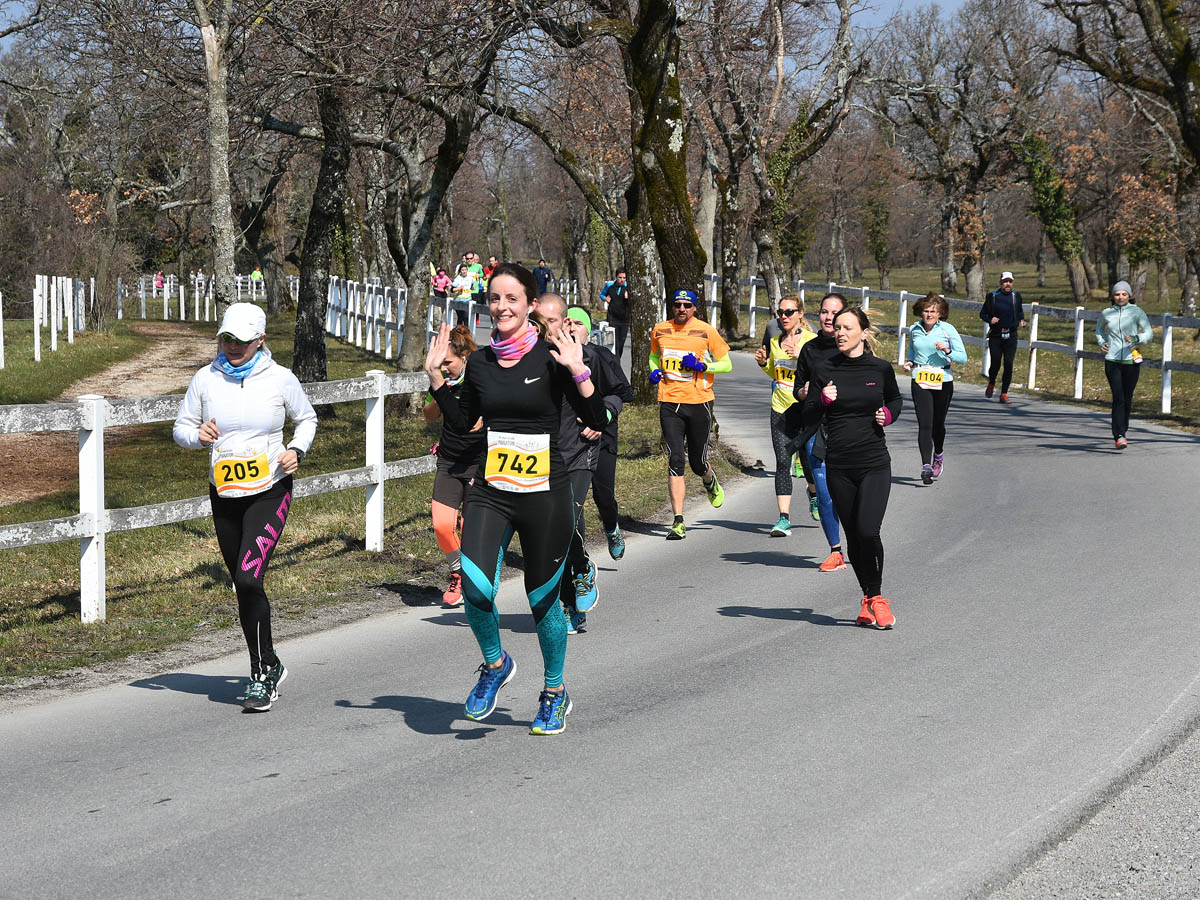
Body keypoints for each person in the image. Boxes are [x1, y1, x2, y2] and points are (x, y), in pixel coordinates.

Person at [425, 262, 605, 736]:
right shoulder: (482, 363)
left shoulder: (553, 357)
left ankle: (554, 693)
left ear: (529, 304)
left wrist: (578, 370)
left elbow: (595, 418)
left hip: (545, 494)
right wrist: (438, 380)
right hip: (492, 491)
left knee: (542, 602)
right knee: (476, 587)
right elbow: (463, 423)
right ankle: (495, 664)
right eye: (494, 299)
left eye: (511, 298)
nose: (501, 307)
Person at [172, 302, 317, 710]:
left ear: (260, 340)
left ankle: (260, 676)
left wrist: (296, 450)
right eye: (226, 338)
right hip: (225, 494)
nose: (232, 346)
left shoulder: (280, 378)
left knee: (249, 578)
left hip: (270, 489)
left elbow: (307, 419)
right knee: (243, 584)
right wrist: (197, 436)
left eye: (241, 340)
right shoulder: (205, 379)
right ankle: (269, 661)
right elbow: (181, 428)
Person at [533, 296, 632, 635]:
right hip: (541, 456)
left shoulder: (592, 357)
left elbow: (618, 392)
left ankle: (580, 575)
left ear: (565, 323)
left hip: (580, 450)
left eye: (553, 321)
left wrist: (603, 416)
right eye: (539, 321)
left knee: (567, 522)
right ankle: (570, 599)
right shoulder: (530, 360)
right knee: (551, 534)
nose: (546, 328)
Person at [812, 307, 902, 629]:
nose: (840, 333)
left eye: (847, 327)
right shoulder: (825, 368)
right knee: (853, 536)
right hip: (839, 465)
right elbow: (807, 411)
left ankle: (877, 598)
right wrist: (821, 399)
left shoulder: (880, 368)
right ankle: (868, 598)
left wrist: (888, 415)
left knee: (868, 531)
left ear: (863, 333)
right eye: (837, 327)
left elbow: (895, 400)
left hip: (874, 463)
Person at [649, 288, 733, 540]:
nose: (682, 309)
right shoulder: (660, 330)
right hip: (669, 402)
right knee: (675, 458)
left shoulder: (706, 331)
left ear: (694, 308)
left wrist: (702, 365)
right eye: (678, 305)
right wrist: (654, 370)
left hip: (698, 403)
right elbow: (654, 356)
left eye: (687, 305)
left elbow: (727, 364)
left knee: (697, 463)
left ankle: (709, 478)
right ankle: (678, 521)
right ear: (672, 306)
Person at [423, 325, 485, 607]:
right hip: (449, 461)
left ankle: (474, 579)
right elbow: (429, 417)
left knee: (471, 528)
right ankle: (458, 572)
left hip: (478, 462)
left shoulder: (480, 379)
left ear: (464, 357)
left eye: (448, 362)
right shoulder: (441, 381)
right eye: (441, 364)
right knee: (441, 525)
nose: (445, 368)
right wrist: (440, 392)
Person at [793, 293, 848, 573]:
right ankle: (835, 550)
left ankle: (859, 541)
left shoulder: (852, 349)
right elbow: (797, 389)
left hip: (848, 429)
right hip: (816, 428)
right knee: (825, 492)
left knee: (848, 494)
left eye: (834, 313)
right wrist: (803, 392)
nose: (828, 317)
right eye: (824, 312)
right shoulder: (810, 349)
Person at [753, 295, 816, 536]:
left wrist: (801, 355)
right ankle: (783, 519)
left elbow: (821, 372)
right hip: (780, 409)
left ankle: (813, 494)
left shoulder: (811, 341)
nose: (784, 316)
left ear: (800, 313)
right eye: (780, 312)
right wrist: (763, 363)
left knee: (808, 463)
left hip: (806, 410)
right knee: (782, 462)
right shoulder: (775, 341)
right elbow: (776, 373)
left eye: (789, 312)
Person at [903, 293, 967, 484]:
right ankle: (926, 466)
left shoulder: (947, 330)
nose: (929, 315)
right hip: (920, 378)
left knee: (937, 424)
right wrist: (910, 362)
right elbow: (913, 350)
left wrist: (947, 350)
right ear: (920, 312)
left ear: (940, 313)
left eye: (933, 311)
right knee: (925, 423)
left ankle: (938, 455)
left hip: (943, 379)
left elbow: (962, 357)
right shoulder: (914, 329)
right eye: (926, 311)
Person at [1096, 280, 1153, 450]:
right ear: (1112, 296)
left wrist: (1137, 338)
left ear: (1129, 296)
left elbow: (1149, 333)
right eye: (1117, 294)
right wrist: (1102, 343)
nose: (1120, 297)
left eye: (1124, 294)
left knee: (1127, 398)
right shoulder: (1107, 313)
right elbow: (1099, 330)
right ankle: (1119, 435)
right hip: (1112, 360)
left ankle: (1123, 429)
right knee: (1118, 397)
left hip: (1131, 361)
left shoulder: (1137, 312)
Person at [979, 271, 1026, 403]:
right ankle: (992, 382)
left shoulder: (1016, 296)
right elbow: (982, 314)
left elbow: (1019, 311)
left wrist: (1022, 320)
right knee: (995, 363)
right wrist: (990, 319)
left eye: (1010, 282)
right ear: (1001, 283)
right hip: (996, 335)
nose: (1007, 284)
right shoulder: (993, 296)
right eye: (1005, 281)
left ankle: (1004, 393)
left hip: (1011, 334)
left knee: (1009, 364)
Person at [602, 269, 631, 358]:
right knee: (615, 343)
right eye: (620, 277)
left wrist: (629, 297)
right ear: (616, 277)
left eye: (624, 278)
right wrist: (605, 298)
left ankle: (617, 360)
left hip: (624, 320)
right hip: (612, 318)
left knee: (621, 344)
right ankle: (615, 361)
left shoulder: (628, 287)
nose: (622, 280)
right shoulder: (609, 285)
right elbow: (602, 295)